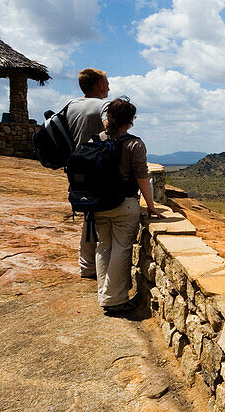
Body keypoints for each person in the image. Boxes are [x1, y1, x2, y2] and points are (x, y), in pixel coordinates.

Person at [92, 96, 161, 314]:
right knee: (121, 248)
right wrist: (150, 205)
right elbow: (142, 176)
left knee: (103, 246)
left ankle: (105, 294)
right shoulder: (134, 143)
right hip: (124, 203)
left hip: (97, 203)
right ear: (130, 120)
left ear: (109, 118)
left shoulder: (96, 140)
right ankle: (115, 300)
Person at [65, 68, 109, 279]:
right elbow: (110, 128)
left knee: (88, 215)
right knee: (98, 217)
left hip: (75, 167)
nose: (109, 87)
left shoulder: (71, 105)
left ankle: (86, 264)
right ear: (99, 85)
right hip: (97, 167)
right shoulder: (104, 105)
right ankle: (92, 267)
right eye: (106, 83)